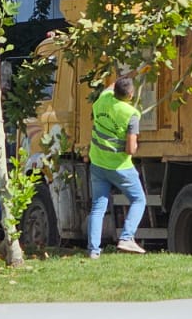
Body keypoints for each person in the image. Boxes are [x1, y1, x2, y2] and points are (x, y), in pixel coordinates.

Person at [86, 73, 146, 258]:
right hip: (120, 167)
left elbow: (110, 86)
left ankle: (93, 251)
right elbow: (130, 149)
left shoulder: (103, 99)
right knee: (138, 200)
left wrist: (129, 74)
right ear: (130, 96)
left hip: (97, 162)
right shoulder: (131, 114)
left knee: (98, 207)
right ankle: (127, 238)